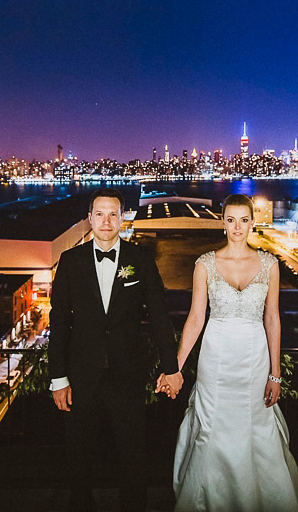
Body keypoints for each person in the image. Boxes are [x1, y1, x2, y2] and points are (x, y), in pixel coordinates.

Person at [163, 193, 298, 512]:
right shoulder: (205, 264)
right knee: (212, 424)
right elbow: (196, 319)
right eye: (231, 220)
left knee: (257, 424)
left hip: (255, 357)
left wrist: (276, 374)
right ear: (222, 222)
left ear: (252, 223)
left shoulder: (270, 264)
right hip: (216, 356)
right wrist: (176, 368)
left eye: (244, 220)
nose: (237, 227)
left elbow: (272, 318)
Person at [49, 188, 184, 512]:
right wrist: (59, 378)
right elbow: (59, 324)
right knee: (79, 457)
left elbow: (159, 317)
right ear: (89, 218)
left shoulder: (140, 260)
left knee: (133, 457)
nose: (106, 221)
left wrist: (172, 366)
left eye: (113, 214)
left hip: (128, 375)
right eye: (99, 214)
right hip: (82, 377)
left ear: (122, 218)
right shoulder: (70, 261)